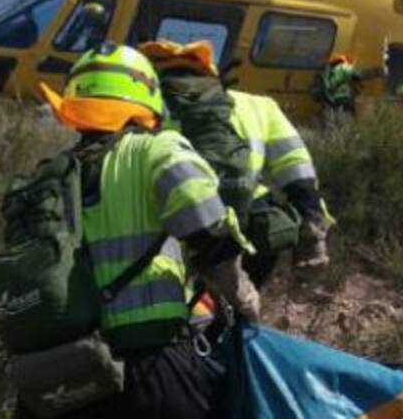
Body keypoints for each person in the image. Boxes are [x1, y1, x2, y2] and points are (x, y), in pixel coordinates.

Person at [18, 42, 261, 419]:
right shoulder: (160, 151)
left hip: (56, 395)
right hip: (156, 379)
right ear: (145, 101)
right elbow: (210, 234)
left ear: (72, 108)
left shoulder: (43, 184)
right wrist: (247, 304)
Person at [138, 39, 332, 285]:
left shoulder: (148, 111)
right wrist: (312, 223)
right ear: (210, 71)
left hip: (180, 238)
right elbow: (297, 168)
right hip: (253, 233)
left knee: (188, 311)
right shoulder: (258, 106)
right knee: (237, 312)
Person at [313, 52, 384, 114]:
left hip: (328, 102)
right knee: (345, 121)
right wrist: (376, 71)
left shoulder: (323, 74)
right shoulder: (343, 69)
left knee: (331, 121)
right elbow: (361, 74)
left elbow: (315, 90)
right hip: (343, 101)